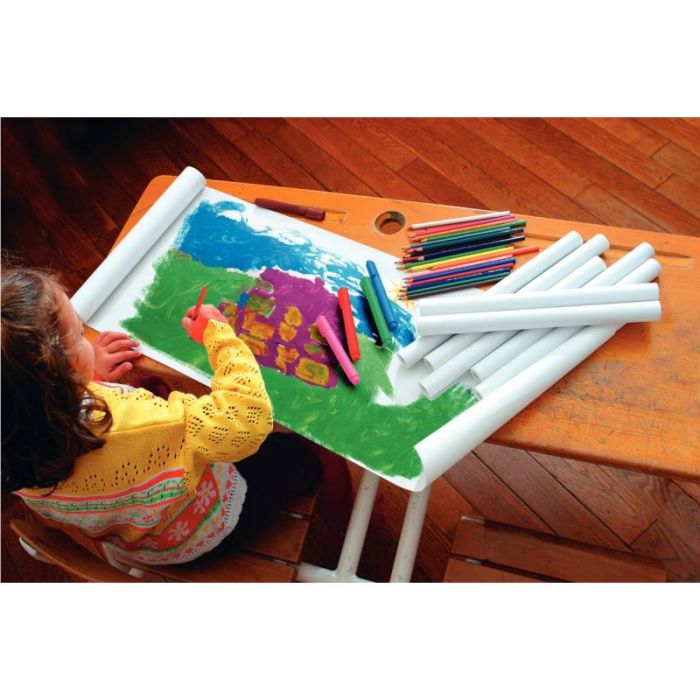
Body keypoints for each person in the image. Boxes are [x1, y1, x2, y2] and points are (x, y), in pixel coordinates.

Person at [1, 265, 321, 567]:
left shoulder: (13, 441)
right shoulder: (146, 427)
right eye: (81, 334)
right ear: (60, 373)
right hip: (203, 534)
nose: (87, 337)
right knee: (297, 456)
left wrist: (90, 375)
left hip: (132, 538)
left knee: (150, 386)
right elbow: (246, 419)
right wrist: (220, 337)